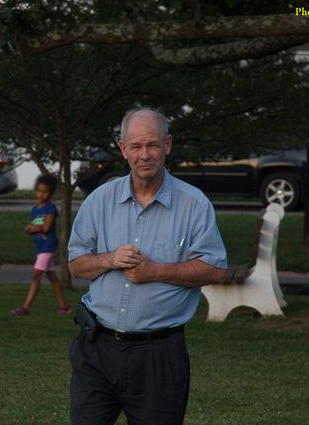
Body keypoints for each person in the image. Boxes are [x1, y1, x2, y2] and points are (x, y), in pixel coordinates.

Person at [67, 107, 227, 425]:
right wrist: (108, 259)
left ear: (167, 145)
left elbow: (215, 269)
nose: (145, 155)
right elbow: (75, 264)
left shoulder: (194, 204)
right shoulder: (99, 200)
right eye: (136, 146)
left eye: (152, 145)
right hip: (97, 349)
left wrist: (156, 271)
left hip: (159, 355)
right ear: (123, 148)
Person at [13, 174, 70, 316]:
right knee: (52, 277)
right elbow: (29, 228)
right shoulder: (35, 210)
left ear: (50, 193)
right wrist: (33, 228)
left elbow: (45, 227)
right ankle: (64, 307)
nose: (41, 194)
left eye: (45, 191)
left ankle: (25, 307)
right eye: (39, 191)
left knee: (36, 275)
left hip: (48, 247)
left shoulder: (50, 209)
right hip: (39, 247)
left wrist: (33, 228)